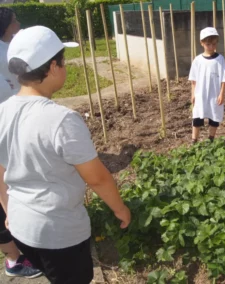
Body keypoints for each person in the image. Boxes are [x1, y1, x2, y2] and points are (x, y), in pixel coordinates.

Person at [0, 26, 131, 283]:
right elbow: (97, 179)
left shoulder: (2, 111)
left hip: (21, 226)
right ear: (52, 68)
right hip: (58, 232)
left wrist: (7, 208)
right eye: (63, 62)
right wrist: (120, 209)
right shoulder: (62, 120)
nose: (65, 67)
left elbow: (0, 170)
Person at [0, 8, 42, 279]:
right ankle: (13, 259)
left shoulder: (7, 48)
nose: (19, 22)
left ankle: (21, 241)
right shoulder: (5, 52)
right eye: (15, 20)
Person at [189, 27, 225, 144]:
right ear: (202, 43)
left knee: (214, 115)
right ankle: (194, 140)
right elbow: (193, 79)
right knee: (197, 116)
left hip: (215, 93)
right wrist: (193, 94)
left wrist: (222, 93)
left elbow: (224, 78)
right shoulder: (197, 60)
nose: (211, 47)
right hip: (200, 93)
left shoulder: (220, 59)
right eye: (208, 44)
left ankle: (211, 139)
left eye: (213, 44)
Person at [0, 7, 21, 95]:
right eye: (14, 21)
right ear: (5, 25)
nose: (18, 23)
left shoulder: (20, 40)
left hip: (23, 94)